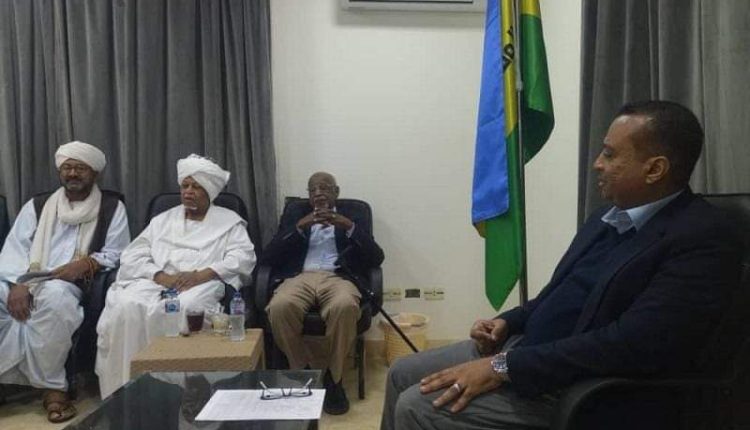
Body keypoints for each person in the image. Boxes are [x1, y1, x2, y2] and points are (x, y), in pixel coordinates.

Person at [381, 100, 743, 430]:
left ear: (655, 169)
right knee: (402, 372)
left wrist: (503, 367)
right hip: (529, 352)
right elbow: (557, 296)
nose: (597, 163)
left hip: (582, 385)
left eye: (610, 154)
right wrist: (509, 321)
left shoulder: (701, 238)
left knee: (419, 406)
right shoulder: (608, 217)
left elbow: (630, 344)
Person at [95, 154, 256, 399]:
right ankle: (128, 386)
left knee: (186, 307)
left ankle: (187, 390)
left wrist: (201, 275)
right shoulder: (162, 220)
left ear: (209, 191)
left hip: (203, 282)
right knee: (127, 306)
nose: (188, 192)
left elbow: (243, 258)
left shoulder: (229, 222)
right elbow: (133, 254)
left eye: (196, 187)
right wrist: (159, 276)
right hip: (157, 281)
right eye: (185, 186)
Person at [0, 141, 130, 423]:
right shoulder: (38, 205)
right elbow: (15, 248)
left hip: (72, 283)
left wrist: (86, 263)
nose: (72, 173)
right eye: (67, 167)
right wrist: (18, 284)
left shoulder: (111, 207)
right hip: (26, 276)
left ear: (94, 173)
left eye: (80, 168)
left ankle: (53, 389)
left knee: (55, 300)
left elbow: (118, 251)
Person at [261, 171, 384, 415]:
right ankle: (302, 372)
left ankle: (334, 378)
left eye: (325, 188)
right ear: (308, 195)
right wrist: (300, 227)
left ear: (336, 192)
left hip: (339, 278)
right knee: (279, 307)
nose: (319, 193)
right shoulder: (295, 215)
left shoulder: (353, 215)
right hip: (300, 278)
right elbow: (269, 256)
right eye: (313, 189)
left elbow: (376, 257)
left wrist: (348, 226)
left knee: (345, 306)